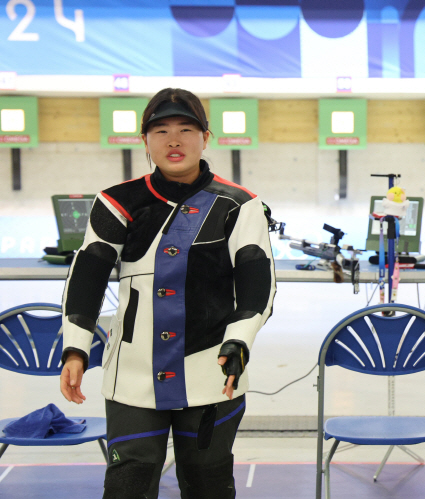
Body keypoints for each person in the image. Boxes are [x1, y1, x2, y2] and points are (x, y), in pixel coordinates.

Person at [59, 88, 276, 498]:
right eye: (160, 131)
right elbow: (86, 277)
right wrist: (75, 349)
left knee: (209, 486)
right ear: (145, 141)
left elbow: (257, 285)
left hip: (214, 369)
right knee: (128, 487)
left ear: (206, 137)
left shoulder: (240, 205)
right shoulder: (116, 201)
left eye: (185, 129)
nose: (173, 140)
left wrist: (239, 342)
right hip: (132, 375)